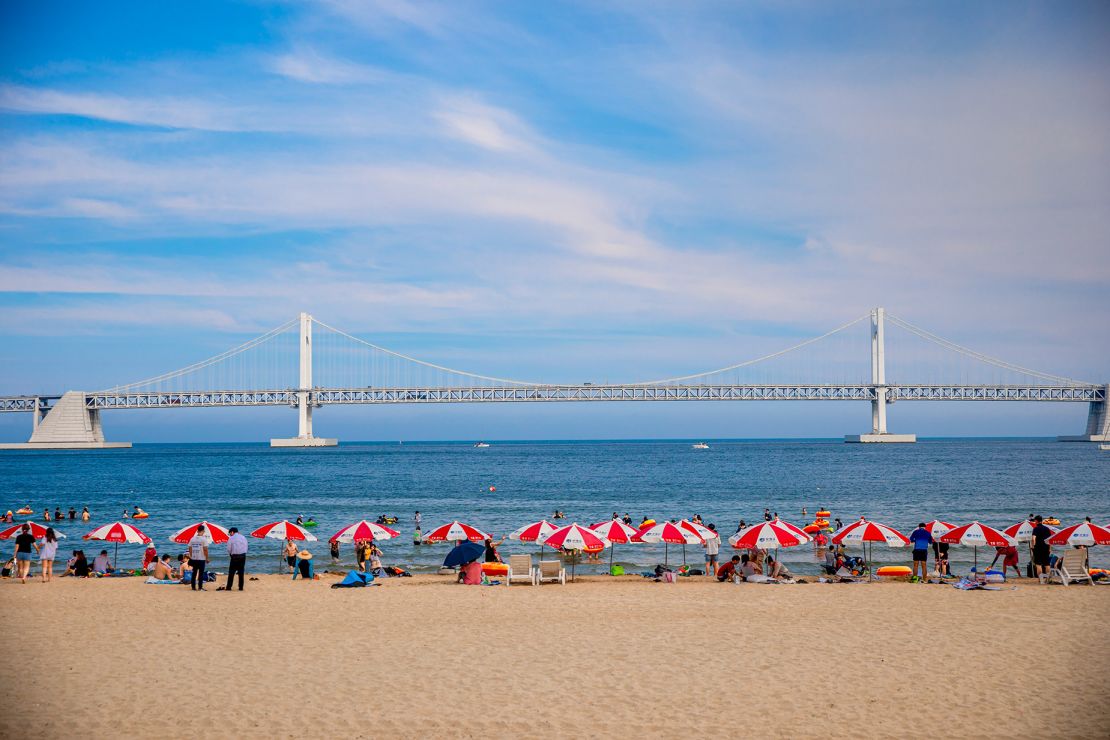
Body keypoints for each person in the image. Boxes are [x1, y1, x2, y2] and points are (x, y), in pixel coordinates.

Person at [1031, 515, 1053, 583]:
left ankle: (1040, 580)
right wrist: (1050, 548)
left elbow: (1033, 538)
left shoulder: (1036, 529)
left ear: (1036, 521)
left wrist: (1033, 546)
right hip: (1046, 548)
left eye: (1035, 521)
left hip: (1038, 548)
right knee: (1047, 564)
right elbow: (1049, 540)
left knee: (1038, 564)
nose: (1034, 522)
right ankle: (1048, 579)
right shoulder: (1047, 529)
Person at [225, 526, 248, 591]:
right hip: (243, 556)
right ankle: (241, 587)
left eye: (230, 533)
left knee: (231, 572)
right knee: (241, 572)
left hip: (234, 556)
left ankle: (229, 587)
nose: (230, 535)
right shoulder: (243, 537)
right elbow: (246, 547)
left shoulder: (231, 538)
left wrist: (231, 554)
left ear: (232, 532)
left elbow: (229, 549)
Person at [187, 525, 209, 591]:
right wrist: (207, 558)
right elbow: (205, 549)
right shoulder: (204, 539)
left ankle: (193, 587)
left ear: (197, 531)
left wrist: (191, 555)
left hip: (194, 558)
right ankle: (200, 587)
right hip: (201, 558)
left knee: (194, 573)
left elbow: (190, 548)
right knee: (201, 573)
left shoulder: (192, 538)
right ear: (203, 531)